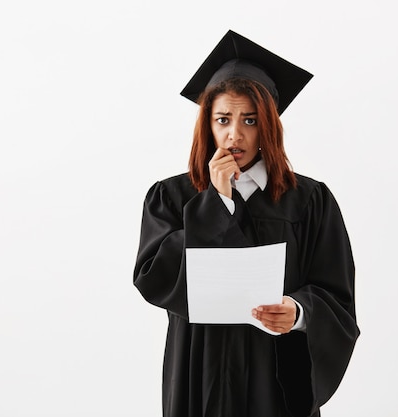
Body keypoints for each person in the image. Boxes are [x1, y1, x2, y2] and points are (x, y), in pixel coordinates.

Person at [133, 30, 359, 417]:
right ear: (208, 124)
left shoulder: (309, 200)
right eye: (223, 119)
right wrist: (215, 203)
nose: (234, 134)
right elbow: (154, 278)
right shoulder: (171, 196)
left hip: (275, 374)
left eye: (250, 120)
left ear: (268, 125)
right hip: (198, 371)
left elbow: (336, 294)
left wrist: (299, 312)